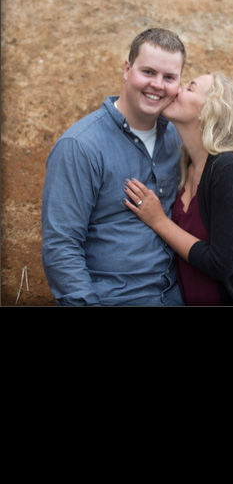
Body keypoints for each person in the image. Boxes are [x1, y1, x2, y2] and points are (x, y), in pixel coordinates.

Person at [42, 28, 186, 306]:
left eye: (169, 77)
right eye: (148, 72)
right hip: (114, 299)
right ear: (127, 69)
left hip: (175, 297)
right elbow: (61, 247)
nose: (157, 85)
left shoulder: (177, 138)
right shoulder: (80, 146)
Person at [123, 72, 233, 306]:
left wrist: (158, 220)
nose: (177, 89)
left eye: (190, 88)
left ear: (210, 110)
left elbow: (220, 264)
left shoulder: (229, 169)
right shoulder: (186, 165)